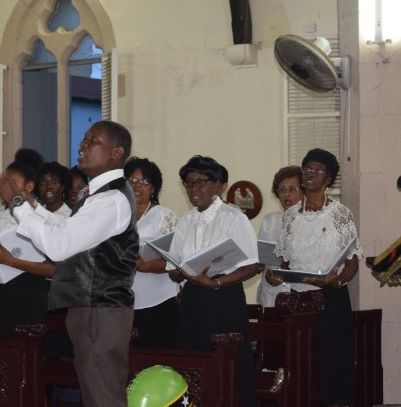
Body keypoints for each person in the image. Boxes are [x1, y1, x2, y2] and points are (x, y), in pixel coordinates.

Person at [0, 121, 138, 407]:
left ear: (116, 153)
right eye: (84, 138)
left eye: (92, 140)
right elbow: (66, 230)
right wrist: (31, 205)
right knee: (97, 393)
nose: (82, 144)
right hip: (92, 308)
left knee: (103, 397)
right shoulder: (100, 195)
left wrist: (16, 203)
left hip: (101, 308)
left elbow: (59, 246)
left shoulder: (111, 199)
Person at [268, 148, 360, 407]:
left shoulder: (340, 214)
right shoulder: (290, 216)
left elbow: (352, 260)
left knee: (332, 363)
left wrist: (338, 282)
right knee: (302, 363)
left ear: (328, 178)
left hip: (331, 297)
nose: (310, 173)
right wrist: (278, 275)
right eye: (307, 168)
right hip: (298, 299)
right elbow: (284, 260)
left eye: (317, 170)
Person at [168, 155, 258, 407]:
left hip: (224, 298)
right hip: (192, 299)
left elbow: (252, 265)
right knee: (192, 363)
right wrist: (180, 272)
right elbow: (172, 269)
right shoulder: (185, 221)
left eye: (200, 182)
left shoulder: (233, 217)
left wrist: (216, 283)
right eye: (188, 183)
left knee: (228, 366)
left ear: (216, 185)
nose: (193, 189)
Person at [0, 159, 53, 339]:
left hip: (28, 293)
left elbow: (52, 268)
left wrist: (11, 261)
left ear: (29, 186)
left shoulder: (41, 218)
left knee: (24, 349)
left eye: (10, 182)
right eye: (3, 182)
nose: (4, 186)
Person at [123, 156, 179, 349]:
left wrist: (146, 266)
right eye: (132, 180)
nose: (137, 185)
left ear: (153, 188)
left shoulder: (164, 216)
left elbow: (176, 260)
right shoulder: (117, 216)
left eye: (144, 181)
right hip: (123, 302)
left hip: (159, 302)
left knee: (157, 357)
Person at [256, 166, 304, 307]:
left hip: (302, 297)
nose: (286, 195)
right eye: (282, 190)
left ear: (304, 191)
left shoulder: (313, 222)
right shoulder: (270, 221)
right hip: (272, 296)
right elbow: (262, 261)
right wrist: (268, 273)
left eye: (292, 189)